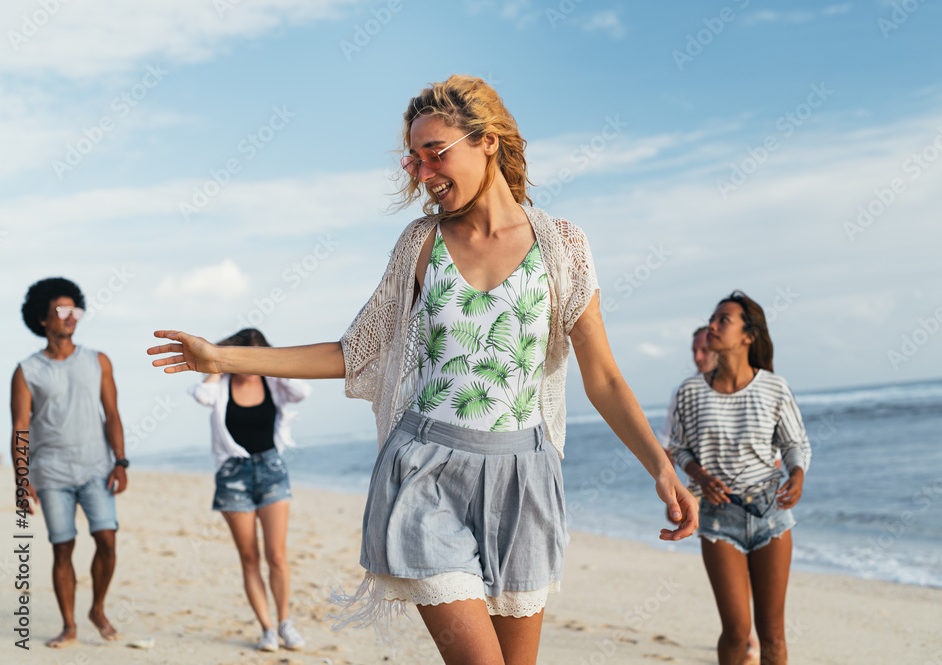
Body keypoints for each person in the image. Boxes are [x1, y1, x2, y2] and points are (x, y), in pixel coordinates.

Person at [147, 75, 697, 665]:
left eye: (435, 153)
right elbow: (354, 353)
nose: (423, 172)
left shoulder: (561, 245)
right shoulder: (420, 244)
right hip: (426, 473)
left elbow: (604, 377)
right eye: (414, 158)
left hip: (526, 479)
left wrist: (659, 466)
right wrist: (220, 358)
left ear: (486, 141)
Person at [668, 291, 811, 665]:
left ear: (748, 335)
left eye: (723, 320)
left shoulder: (774, 388)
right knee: (735, 631)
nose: (712, 326)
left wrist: (797, 475)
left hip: (771, 515)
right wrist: (699, 475)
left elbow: (794, 444)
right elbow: (678, 449)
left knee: (773, 634)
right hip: (718, 518)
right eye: (711, 320)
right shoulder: (690, 392)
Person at [10, 277, 128, 648]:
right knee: (63, 547)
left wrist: (121, 461)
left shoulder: (98, 361)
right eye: (62, 310)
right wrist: (21, 480)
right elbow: (20, 429)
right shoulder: (27, 371)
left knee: (107, 540)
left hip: (96, 468)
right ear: (42, 318)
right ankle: (69, 626)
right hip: (51, 473)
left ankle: (97, 608)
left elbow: (112, 414)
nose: (71, 316)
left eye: (75, 309)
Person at [188, 328, 311, 652]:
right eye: (245, 357)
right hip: (233, 476)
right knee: (249, 557)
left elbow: (302, 390)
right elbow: (202, 395)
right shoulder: (222, 385)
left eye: (257, 357)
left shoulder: (273, 382)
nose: (251, 364)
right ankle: (267, 629)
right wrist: (218, 363)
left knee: (277, 556)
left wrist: (272, 363)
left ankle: (285, 623)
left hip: (272, 471)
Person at [660, 325, 718, 461]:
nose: (697, 357)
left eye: (704, 350)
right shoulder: (682, 393)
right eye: (694, 351)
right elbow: (666, 444)